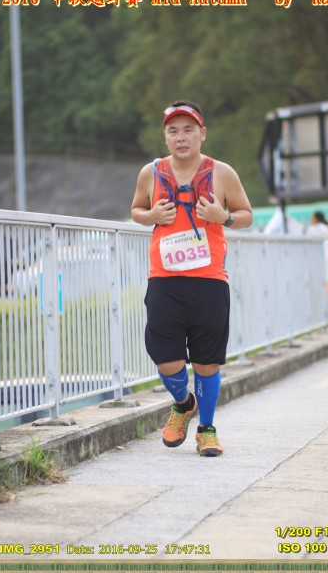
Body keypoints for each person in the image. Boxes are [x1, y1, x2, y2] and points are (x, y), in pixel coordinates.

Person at [131, 100, 252, 457]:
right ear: (165, 137)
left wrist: (222, 216)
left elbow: (246, 215)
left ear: (202, 133)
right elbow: (136, 210)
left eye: (188, 130)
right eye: (173, 131)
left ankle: (207, 429)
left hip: (209, 279)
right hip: (164, 278)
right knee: (164, 357)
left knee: (206, 362)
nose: (181, 137)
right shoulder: (151, 172)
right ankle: (184, 404)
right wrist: (151, 215)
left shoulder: (222, 173)